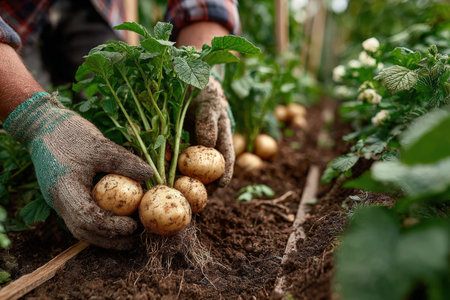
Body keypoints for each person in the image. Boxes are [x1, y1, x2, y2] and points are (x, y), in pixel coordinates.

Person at [0, 0, 239, 250]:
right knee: (19, 119)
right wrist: (35, 119)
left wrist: (204, 75)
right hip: (11, 16)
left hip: (96, 7)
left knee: (106, 115)